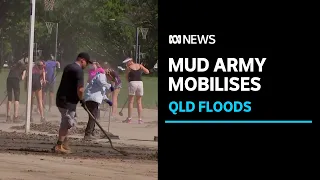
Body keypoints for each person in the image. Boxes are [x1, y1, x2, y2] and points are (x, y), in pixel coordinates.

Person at [53, 52, 92, 154]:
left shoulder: (68, 67)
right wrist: (82, 100)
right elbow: (80, 89)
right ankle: (58, 145)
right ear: (82, 60)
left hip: (62, 99)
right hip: (67, 101)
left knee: (68, 122)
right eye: (86, 63)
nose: (86, 65)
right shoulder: (78, 71)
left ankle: (64, 143)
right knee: (67, 123)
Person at [83, 69, 114, 140]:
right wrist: (109, 86)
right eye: (111, 78)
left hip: (94, 99)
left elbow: (102, 93)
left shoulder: (104, 81)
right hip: (91, 99)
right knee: (93, 117)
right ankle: (88, 134)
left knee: (94, 117)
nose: (111, 80)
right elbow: (101, 82)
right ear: (109, 75)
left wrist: (107, 100)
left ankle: (91, 133)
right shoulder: (101, 76)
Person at [122, 58, 149, 124]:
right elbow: (147, 72)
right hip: (140, 83)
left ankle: (129, 119)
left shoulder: (129, 68)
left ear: (130, 62)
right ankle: (140, 119)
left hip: (132, 83)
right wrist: (141, 71)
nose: (126, 64)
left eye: (127, 63)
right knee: (139, 102)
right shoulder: (139, 65)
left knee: (131, 101)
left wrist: (128, 81)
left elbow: (126, 77)